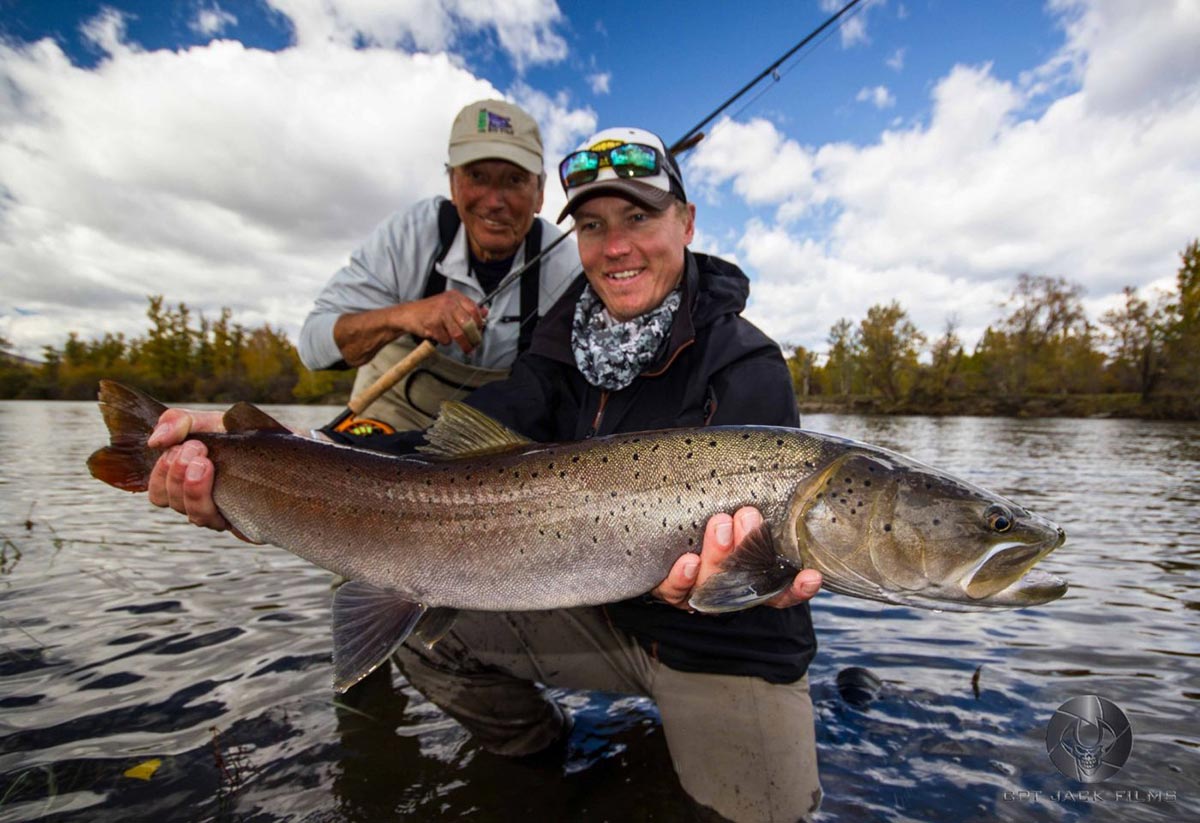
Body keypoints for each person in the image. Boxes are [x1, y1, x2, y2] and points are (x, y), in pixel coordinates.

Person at [146, 126, 824, 823]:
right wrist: (284, 448)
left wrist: (747, 580)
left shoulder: (746, 364)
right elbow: (445, 449)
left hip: (722, 647)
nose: (615, 245)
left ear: (686, 222)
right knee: (417, 621)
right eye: (592, 225)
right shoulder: (560, 347)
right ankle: (540, 759)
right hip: (601, 616)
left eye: (639, 217)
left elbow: (771, 569)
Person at [298, 98, 580, 432]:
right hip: (391, 417)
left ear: (540, 194)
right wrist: (405, 315)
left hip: (499, 434)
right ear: (453, 185)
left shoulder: (569, 267)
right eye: (477, 176)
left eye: (514, 180)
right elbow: (313, 347)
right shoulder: (407, 236)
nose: (494, 201)